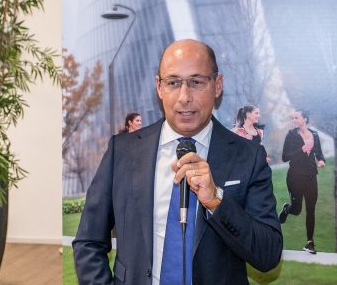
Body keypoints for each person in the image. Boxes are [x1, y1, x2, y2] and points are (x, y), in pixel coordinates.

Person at [73, 39, 282, 285]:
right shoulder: (123, 150)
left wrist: (216, 200)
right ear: (159, 87)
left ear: (217, 85)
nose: (184, 97)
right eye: (173, 83)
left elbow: (268, 255)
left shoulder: (248, 156)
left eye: (196, 82)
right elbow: (88, 242)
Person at [278, 109, 325, 254]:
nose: (294, 120)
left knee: (311, 210)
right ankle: (287, 208)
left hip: (311, 176)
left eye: (296, 118)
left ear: (304, 119)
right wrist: (302, 149)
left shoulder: (315, 135)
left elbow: (319, 153)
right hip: (295, 177)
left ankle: (310, 243)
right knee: (297, 210)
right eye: (293, 118)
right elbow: (285, 157)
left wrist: (321, 160)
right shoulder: (291, 135)